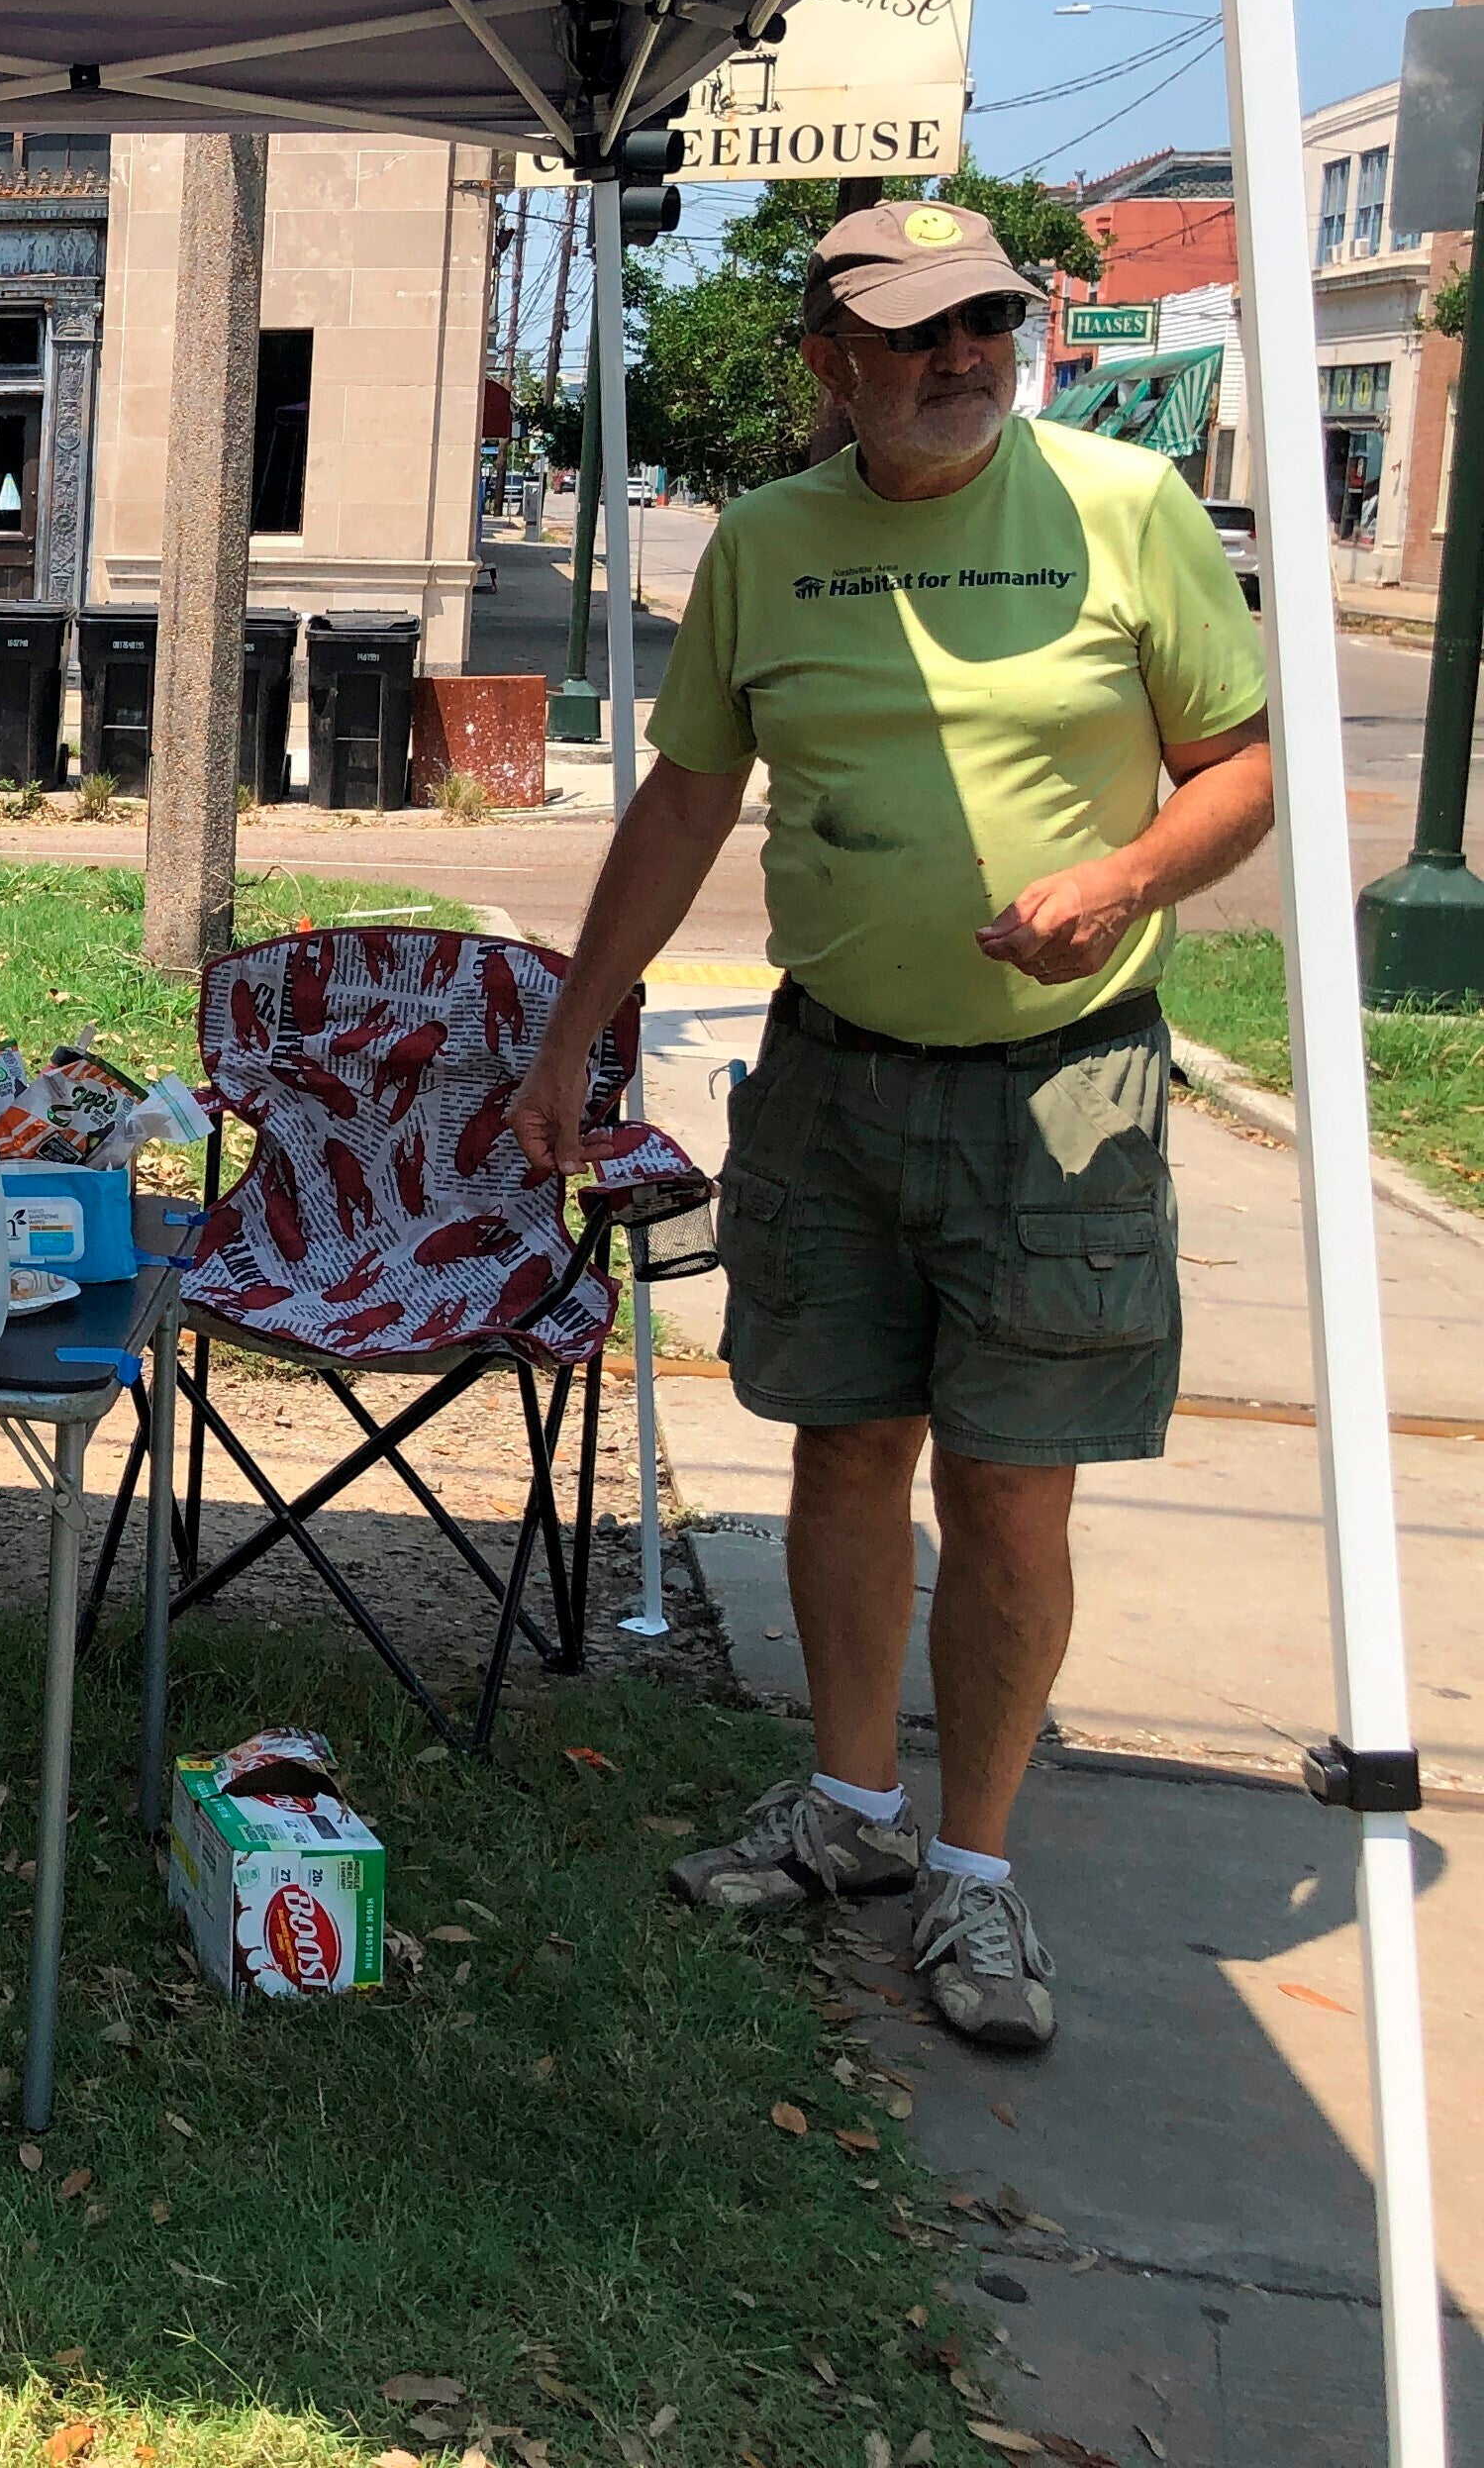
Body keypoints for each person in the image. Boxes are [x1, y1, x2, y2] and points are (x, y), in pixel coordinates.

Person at [506, 201, 1271, 2055]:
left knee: (1012, 1482)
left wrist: (1122, 876)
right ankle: (852, 1810)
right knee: (845, 1451)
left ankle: (981, 1878)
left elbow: (1239, 770)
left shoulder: (1121, 509)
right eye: (918, 335)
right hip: (835, 1072)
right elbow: (685, 806)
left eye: (987, 323)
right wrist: (570, 1041)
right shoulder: (768, 547)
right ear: (829, 365)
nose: (961, 360)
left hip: (1057, 1091)